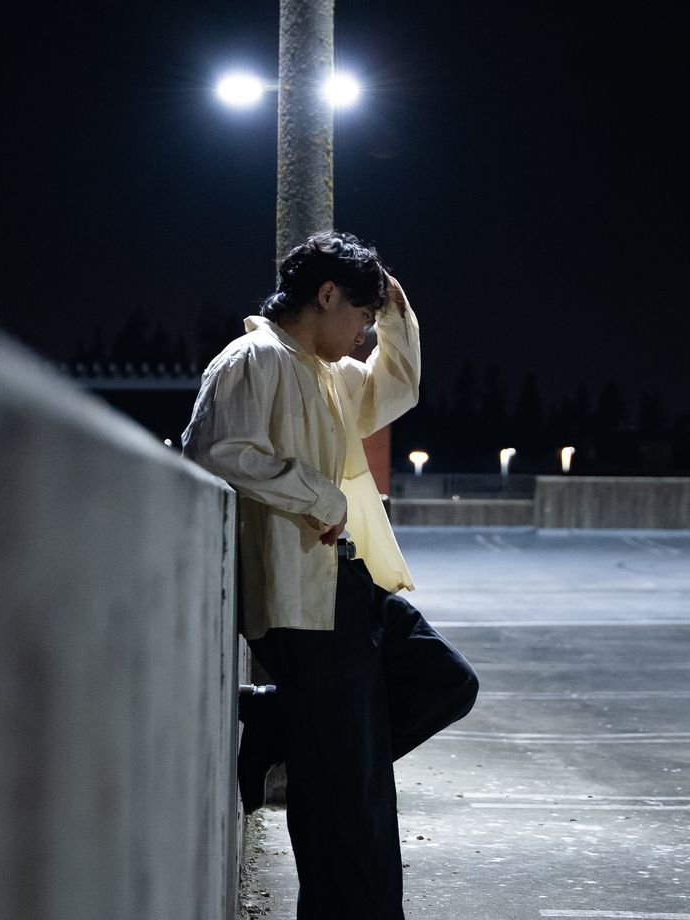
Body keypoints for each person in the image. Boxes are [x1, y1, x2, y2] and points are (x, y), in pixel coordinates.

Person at [182, 231, 478, 920]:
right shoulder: (254, 360)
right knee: (350, 797)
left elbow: (395, 390)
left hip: (349, 583)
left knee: (445, 682)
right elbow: (216, 450)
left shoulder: (330, 373)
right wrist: (320, 497)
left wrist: (397, 317)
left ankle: (276, 721)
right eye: (361, 318)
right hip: (299, 605)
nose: (362, 334)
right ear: (325, 295)